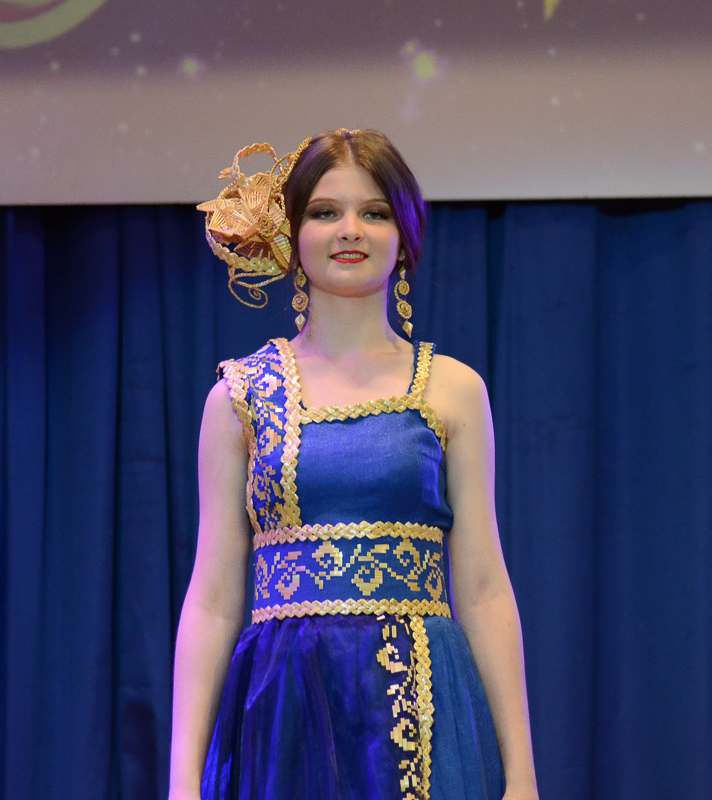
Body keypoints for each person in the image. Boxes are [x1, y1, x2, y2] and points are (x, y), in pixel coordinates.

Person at [169, 129, 539, 800]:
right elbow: (214, 597)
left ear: (405, 235)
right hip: (282, 711)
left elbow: (484, 587)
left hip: (421, 701)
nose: (350, 230)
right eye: (324, 211)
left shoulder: (452, 389)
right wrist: (183, 781)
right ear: (291, 232)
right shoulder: (240, 397)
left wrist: (522, 776)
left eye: (374, 212)